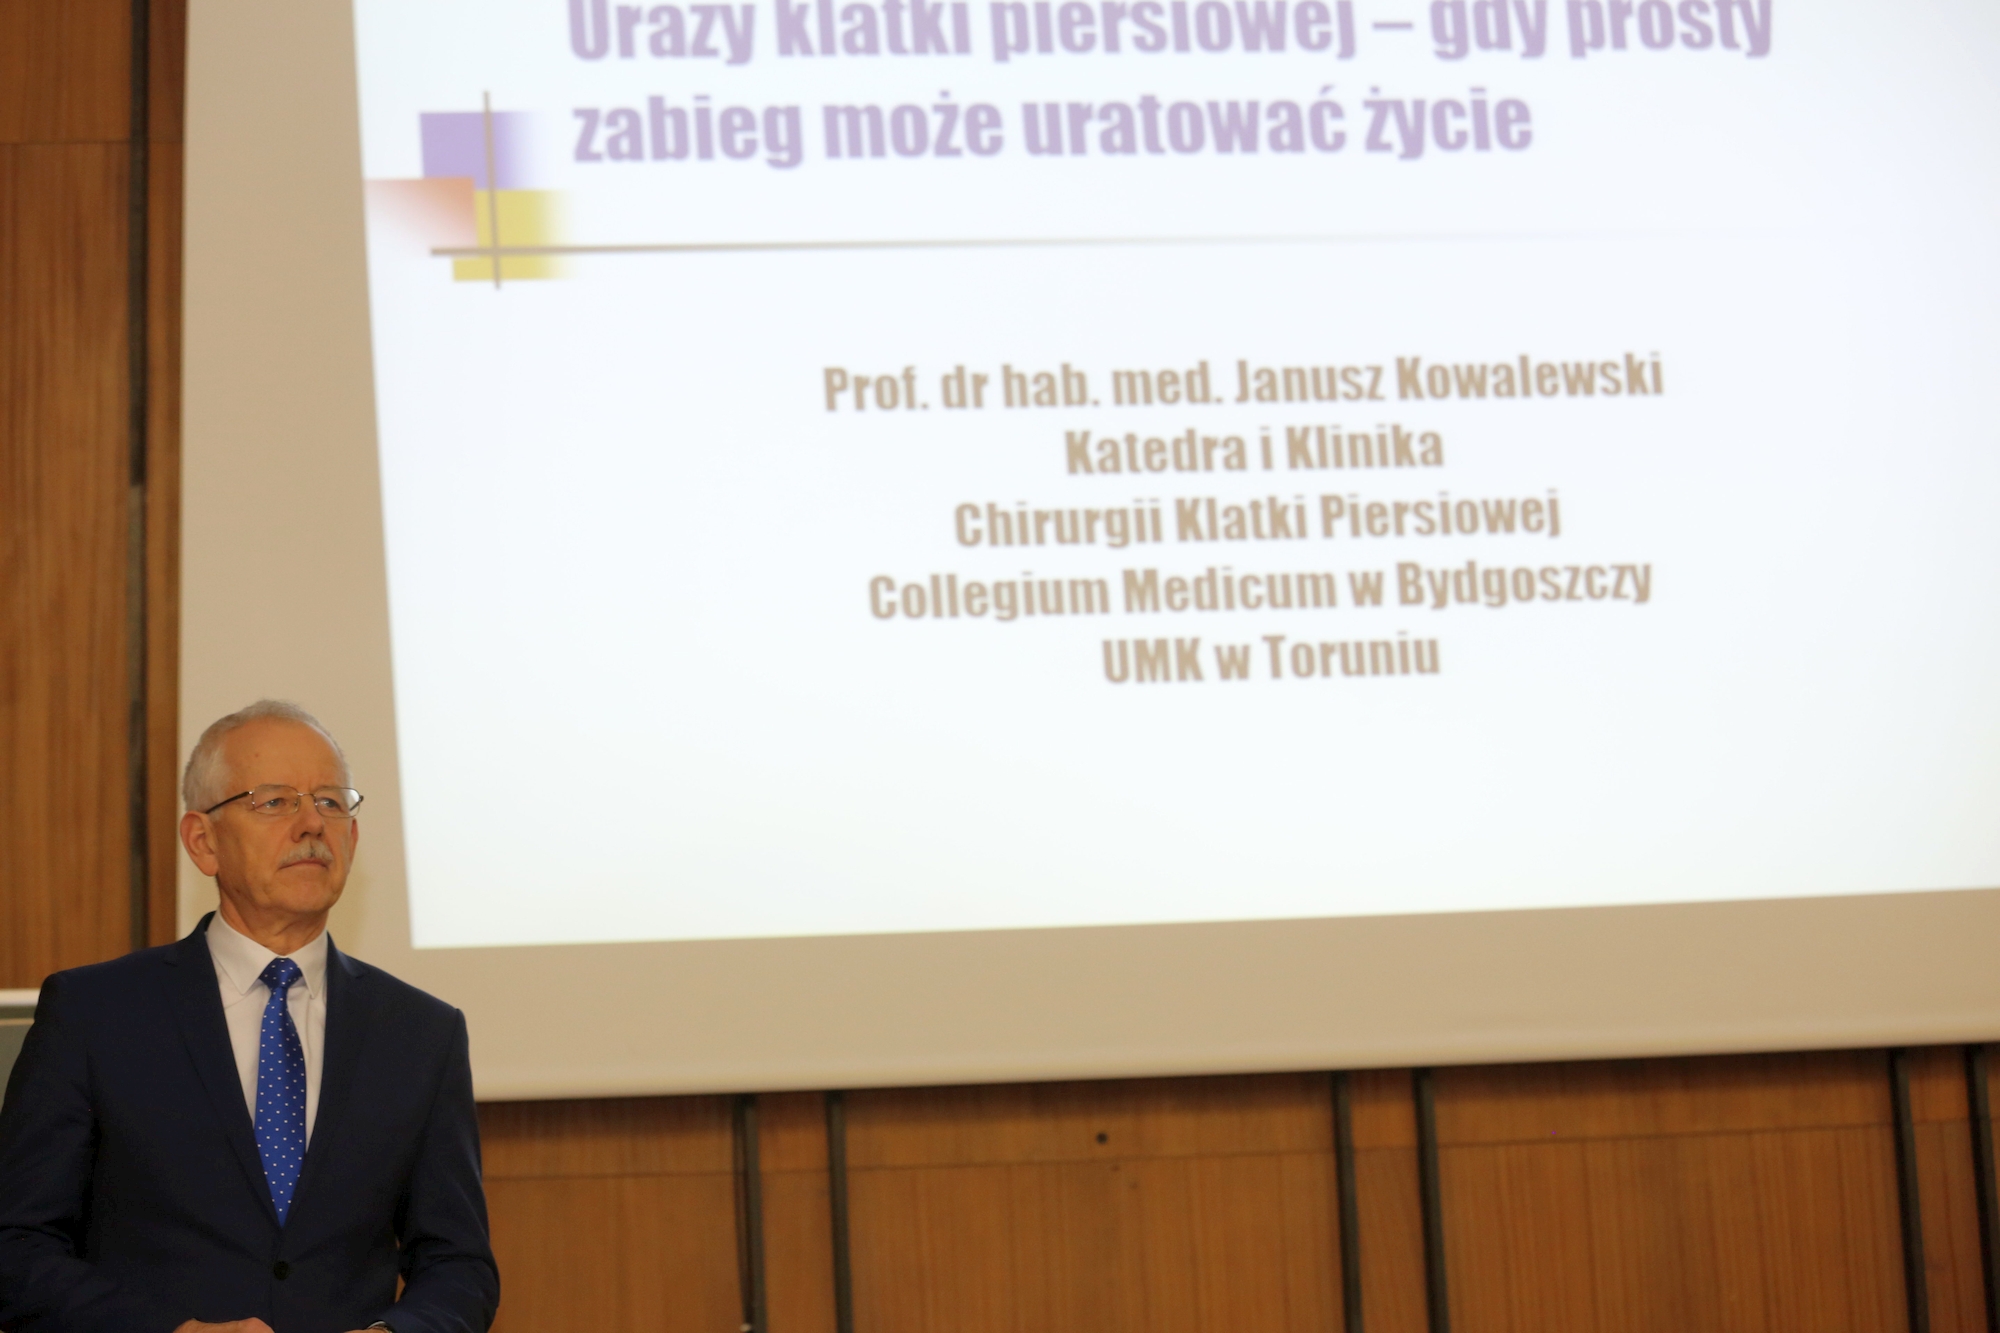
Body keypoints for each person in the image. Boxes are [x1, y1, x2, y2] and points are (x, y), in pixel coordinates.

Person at [0, 701, 499, 1333]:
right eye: (275, 802)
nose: (311, 824)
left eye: (330, 802)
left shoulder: (422, 1033)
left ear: (352, 838)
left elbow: (458, 1264)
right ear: (202, 842)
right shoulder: (94, 1013)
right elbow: (17, 1247)